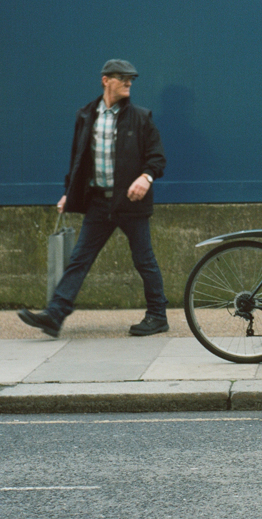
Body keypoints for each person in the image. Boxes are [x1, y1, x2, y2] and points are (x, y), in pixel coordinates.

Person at [18, 59, 169, 338]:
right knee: (79, 259)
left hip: (130, 203)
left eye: (131, 79)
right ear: (105, 80)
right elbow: (78, 160)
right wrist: (69, 193)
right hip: (99, 202)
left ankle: (158, 315)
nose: (128, 83)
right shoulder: (86, 115)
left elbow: (157, 157)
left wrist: (145, 177)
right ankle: (55, 315)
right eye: (122, 78)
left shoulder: (141, 116)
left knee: (144, 260)